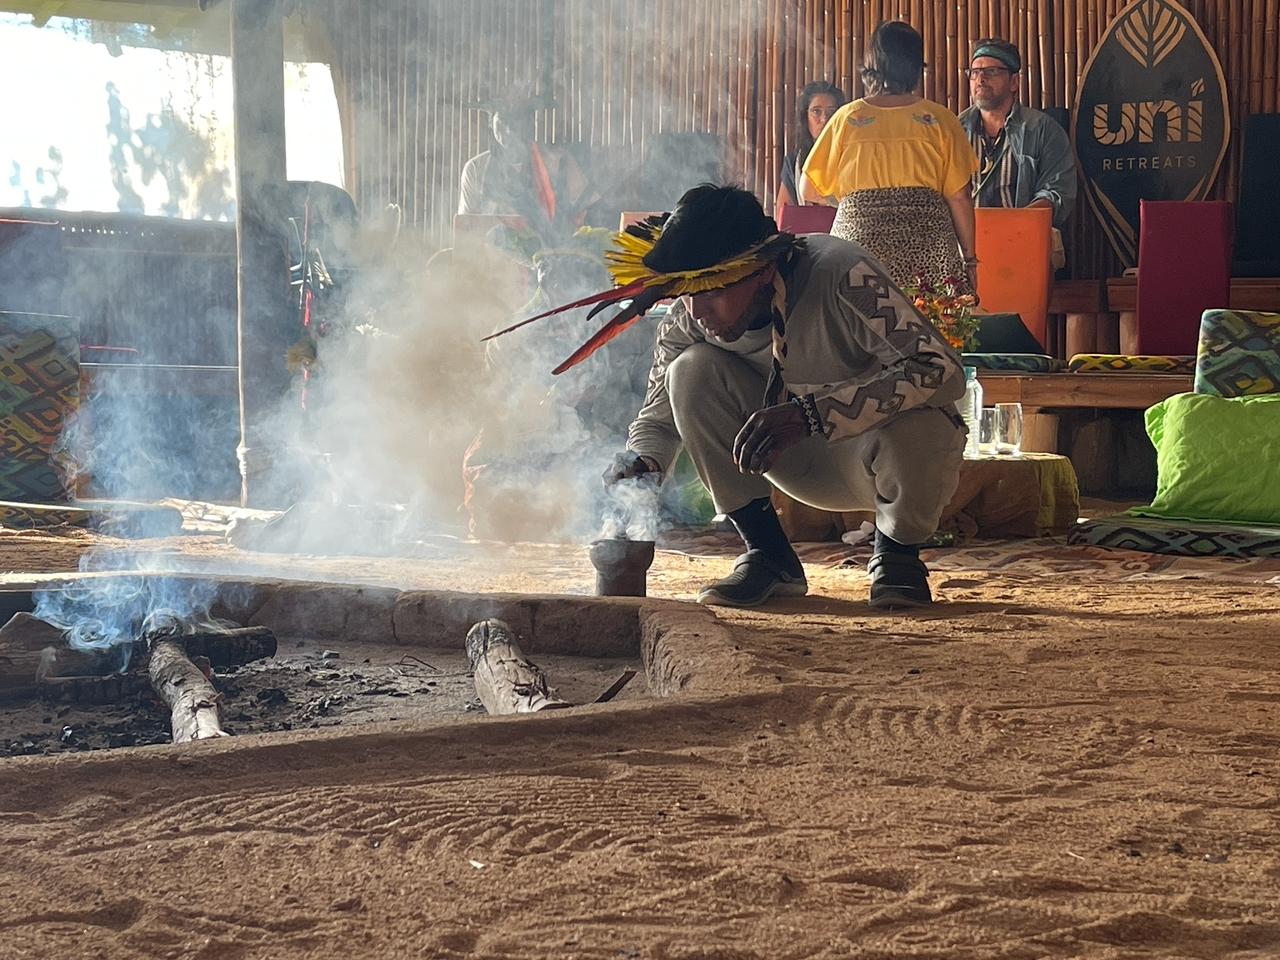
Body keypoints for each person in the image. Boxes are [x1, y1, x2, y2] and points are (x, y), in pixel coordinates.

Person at [580, 184, 966, 610]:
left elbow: (942, 371)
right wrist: (641, 467)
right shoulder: (688, 321)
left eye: (712, 292)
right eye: (687, 294)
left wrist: (812, 415)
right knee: (688, 370)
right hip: (785, 462)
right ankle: (768, 554)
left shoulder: (842, 275)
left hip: (878, 459)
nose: (697, 312)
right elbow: (656, 419)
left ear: (762, 271)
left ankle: (898, 556)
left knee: (924, 420)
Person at [799, 21, 979, 293]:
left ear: (873, 63)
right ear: (917, 65)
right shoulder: (940, 120)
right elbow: (959, 197)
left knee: (856, 331)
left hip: (857, 254)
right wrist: (969, 261)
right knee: (933, 329)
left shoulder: (848, 118)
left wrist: (854, 204)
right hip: (928, 255)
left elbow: (808, 189)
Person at [958, 39, 1077, 230]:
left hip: (1022, 240)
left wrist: (1017, 224)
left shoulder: (1043, 130)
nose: (980, 79)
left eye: (991, 71)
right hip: (965, 246)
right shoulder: (954, 131)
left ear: (1014, 82)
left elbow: (1057, 192)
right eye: (974, 72)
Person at [457, 94, 600, 247]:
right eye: (502, 122)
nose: (509, 131)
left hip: (549, 253)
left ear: (530, 126)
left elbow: (589, 210)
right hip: (492, 257)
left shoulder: (557, 161)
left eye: (516, 123)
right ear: (492, 125)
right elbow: (467, 223)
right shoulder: (476, 168)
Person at [776, 81, 848, 209]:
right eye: (816, 111)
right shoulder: (794, 162)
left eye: (831, 112)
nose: (824, 119)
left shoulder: (852, 157)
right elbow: (784, 214)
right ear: (805, 117)